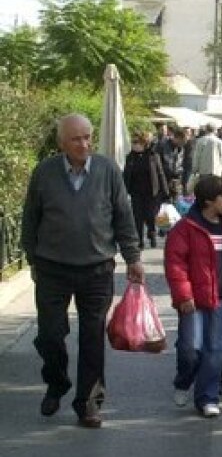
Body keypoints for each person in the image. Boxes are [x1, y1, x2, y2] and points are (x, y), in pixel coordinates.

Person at [21, 113, 145, 429]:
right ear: (62, 142)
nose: (84, 144)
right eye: (76, 139)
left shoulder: (107, 171)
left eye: (88, 137)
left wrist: (133, 257)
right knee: (50, 334)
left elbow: (123, 216)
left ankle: (88, 403)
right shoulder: (45, 172)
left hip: (97, 268)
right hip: (52, 268)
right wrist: (34, 259)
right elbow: (30, 218)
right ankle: (57, 381)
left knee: (92, 337)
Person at [164, 175, 222, 418]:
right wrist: (183, 295)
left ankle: (207, 397)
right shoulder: (185, 228)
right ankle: (183, 380)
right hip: (192, 299)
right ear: (208, 201)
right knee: (190, 349)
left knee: (216, 349)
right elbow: (175, 264)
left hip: (221, 298)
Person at [123, 131, 170, 249]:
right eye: (133, 142)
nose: (134, 145)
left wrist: (165, 192)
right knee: (137, 217)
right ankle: (139, 240)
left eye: (136, 142)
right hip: (136, 192)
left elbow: (160, 174)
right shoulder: (130, 157)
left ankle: (152, 233)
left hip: (152, 192)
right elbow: (126, 175)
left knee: (150, 215)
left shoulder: (153, 156)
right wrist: (123, 191)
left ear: (144, 143)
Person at [188, 125, 222, 192]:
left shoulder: (200, 141)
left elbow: (197, 156)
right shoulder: (219, 141)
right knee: (214, 190)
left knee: (204, 190)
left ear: (206, 130)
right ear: (214, 130)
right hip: (217, 171)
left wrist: (194, 169)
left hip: (204, 170)